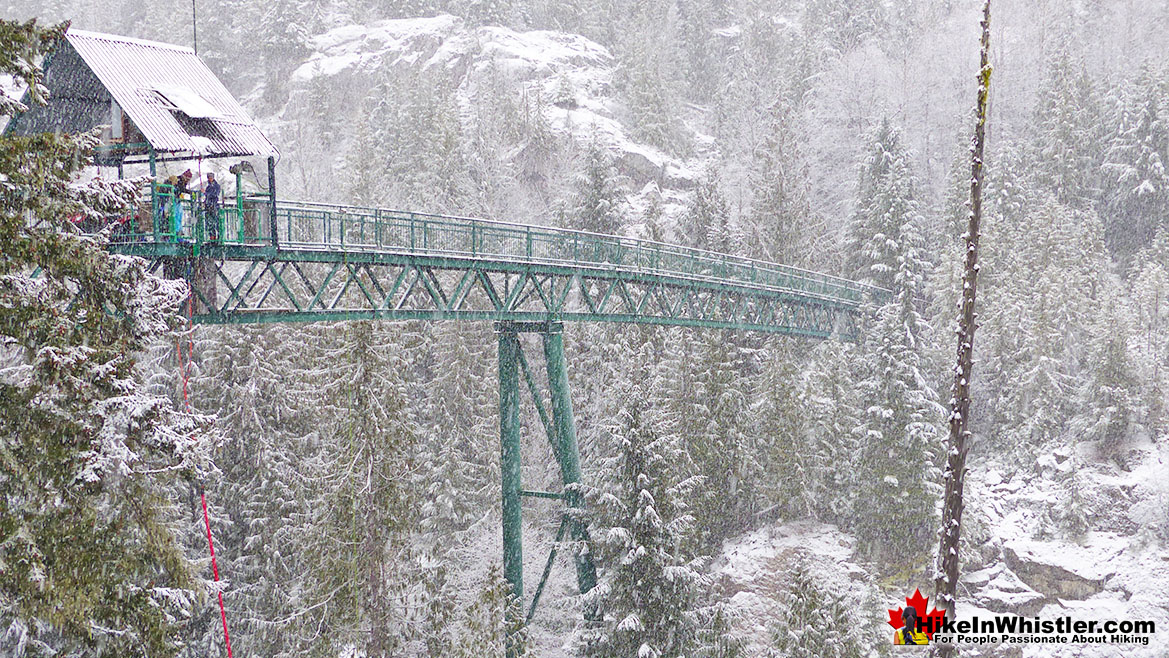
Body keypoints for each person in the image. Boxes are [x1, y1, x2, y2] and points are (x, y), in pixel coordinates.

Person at [203, 172, 221, 242]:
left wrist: (206, 193)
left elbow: (214, 194)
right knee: (210, 223)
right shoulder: (209, 186)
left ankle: (217, 237)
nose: (209, 179)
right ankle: (212, 236)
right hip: (209, 206)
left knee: (215, 222)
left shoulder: (216, 186)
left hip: (213, 206)